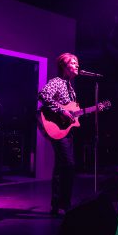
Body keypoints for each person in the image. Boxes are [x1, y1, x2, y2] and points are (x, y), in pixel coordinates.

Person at [38, 52, 79, 216]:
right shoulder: (57, 82)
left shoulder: (71, 87)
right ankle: (64, 204)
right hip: (56, 128)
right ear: (64, 66)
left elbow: (72, 112)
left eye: (77, 63)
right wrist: (61, 111)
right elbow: (43, 95)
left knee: (60, 167)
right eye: (73, 62)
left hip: (65, 130)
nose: (77, 65)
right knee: (68, 165)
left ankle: (58, 205)